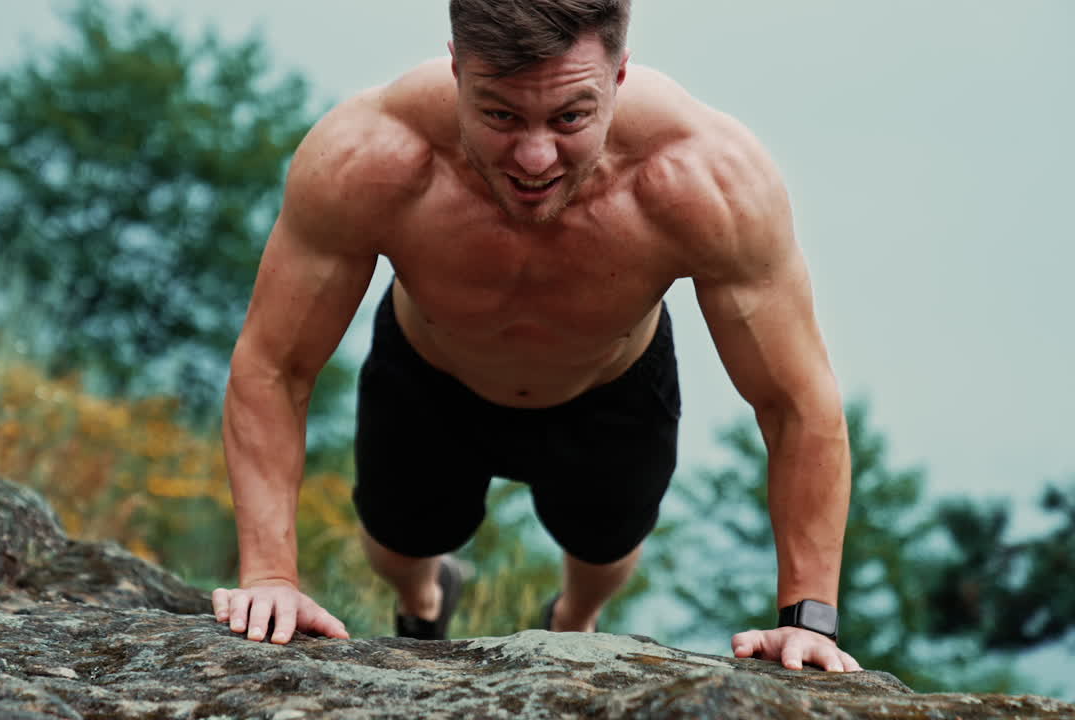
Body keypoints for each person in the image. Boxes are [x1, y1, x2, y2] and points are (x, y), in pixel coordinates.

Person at [210, 0, 861, 674]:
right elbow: (274, 367)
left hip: (610, 387)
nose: (533, 157)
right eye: (500, 115)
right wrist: (270, 579)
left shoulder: (706, 179)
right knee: (397, 548)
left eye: (570, 117)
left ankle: (574, 618)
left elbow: (795, 403)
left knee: (605, 552)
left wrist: (807, 619)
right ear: (458, 69)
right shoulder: (371, 156)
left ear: (619, 75)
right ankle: (426, 595)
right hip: (432, 378)